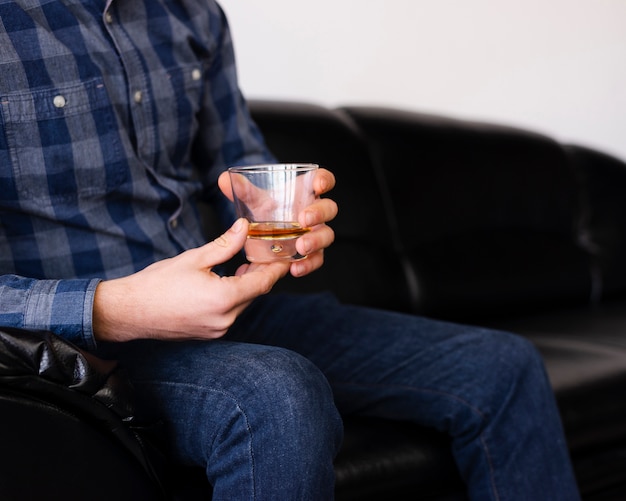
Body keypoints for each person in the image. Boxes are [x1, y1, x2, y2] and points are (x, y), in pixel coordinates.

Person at [0, 0, 581, 499]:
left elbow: (238, 174)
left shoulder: (189, 13)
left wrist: (288, 217)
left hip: (224, 308)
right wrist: (119, 307)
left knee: (507, 367)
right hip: (75, 344)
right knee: (274, 394)